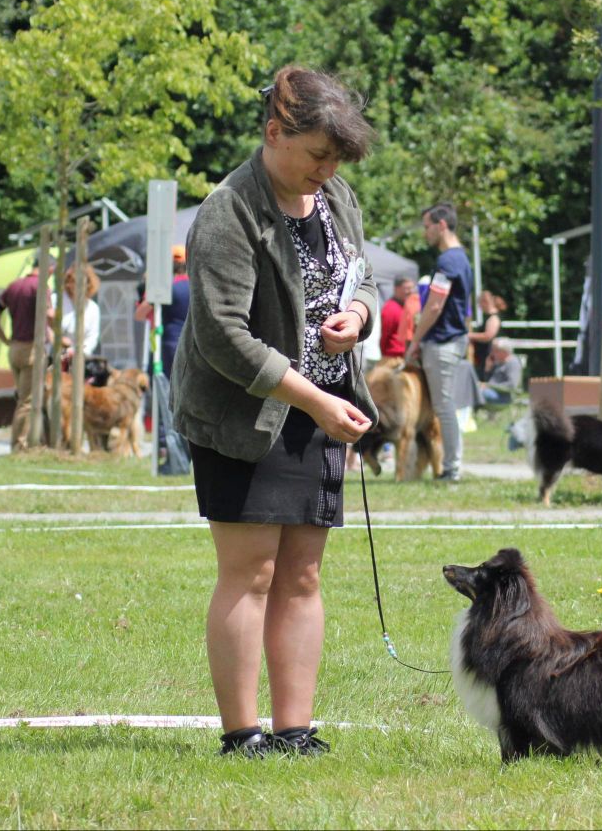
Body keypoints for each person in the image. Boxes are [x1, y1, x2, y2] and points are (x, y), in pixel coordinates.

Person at [169, 65, 378, 759]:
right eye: (318, 153)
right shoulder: (229, 209)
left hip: (318, 410)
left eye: (335, 159)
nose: (327, 169)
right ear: (273, 133)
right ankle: (242, 734)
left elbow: (363, 275)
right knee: (250, 573)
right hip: (245, 414)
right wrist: (315, 400)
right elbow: (222, 336)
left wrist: (357, 314)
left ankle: (295, 729)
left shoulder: (336, 198)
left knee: (303, 575)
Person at [406, 202, 474, 482]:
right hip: (452, 342)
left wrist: (414, 342)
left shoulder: (448, 261)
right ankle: (446, 466)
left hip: (443, 343)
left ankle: (451, 469)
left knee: (445, 407)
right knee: (445, 407)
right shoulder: (461, 259)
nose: (425, 233)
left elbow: (434, 306)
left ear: (441, 225)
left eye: (427, 226)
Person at [0, 261, 53, 451]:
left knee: (25, 398)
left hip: (14, 348)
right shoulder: (41, 287)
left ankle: (35, 441)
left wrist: (3, 338)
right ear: (50, 269)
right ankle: (19, 446)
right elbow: (50, 315)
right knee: (28, 401)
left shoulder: (14, 286)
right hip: (33, 348)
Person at [135, 244, 191, 379]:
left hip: (169, 344)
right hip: (194, 346)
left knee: (165, 389)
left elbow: (139, 314)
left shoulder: (164, 288)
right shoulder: (197, 287)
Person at [54, 263, 101, 369]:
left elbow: (92, 337)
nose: (78, 286)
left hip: (80, 360)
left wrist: (80, 352)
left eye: (83, 282)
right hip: (55, 357)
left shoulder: (93, 308)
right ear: (68, 283)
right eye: (74, 282)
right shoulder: (55, 301)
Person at [468, 289, 507, 379]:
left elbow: (488, 336)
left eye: (479, 303)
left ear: (485, 302)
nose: (479, 306)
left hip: (490, 358)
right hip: (484, 357)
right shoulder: (491, 317)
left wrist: (469, 335)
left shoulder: (493, 318)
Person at [378, 275, 416, 360]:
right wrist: (385, 356)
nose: (410, 291)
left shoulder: (406, 307)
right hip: (393, 357)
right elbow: (385, 336)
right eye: (407, 288)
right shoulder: (390, 309)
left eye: (412, 288)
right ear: (396, 289)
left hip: (405, 356)